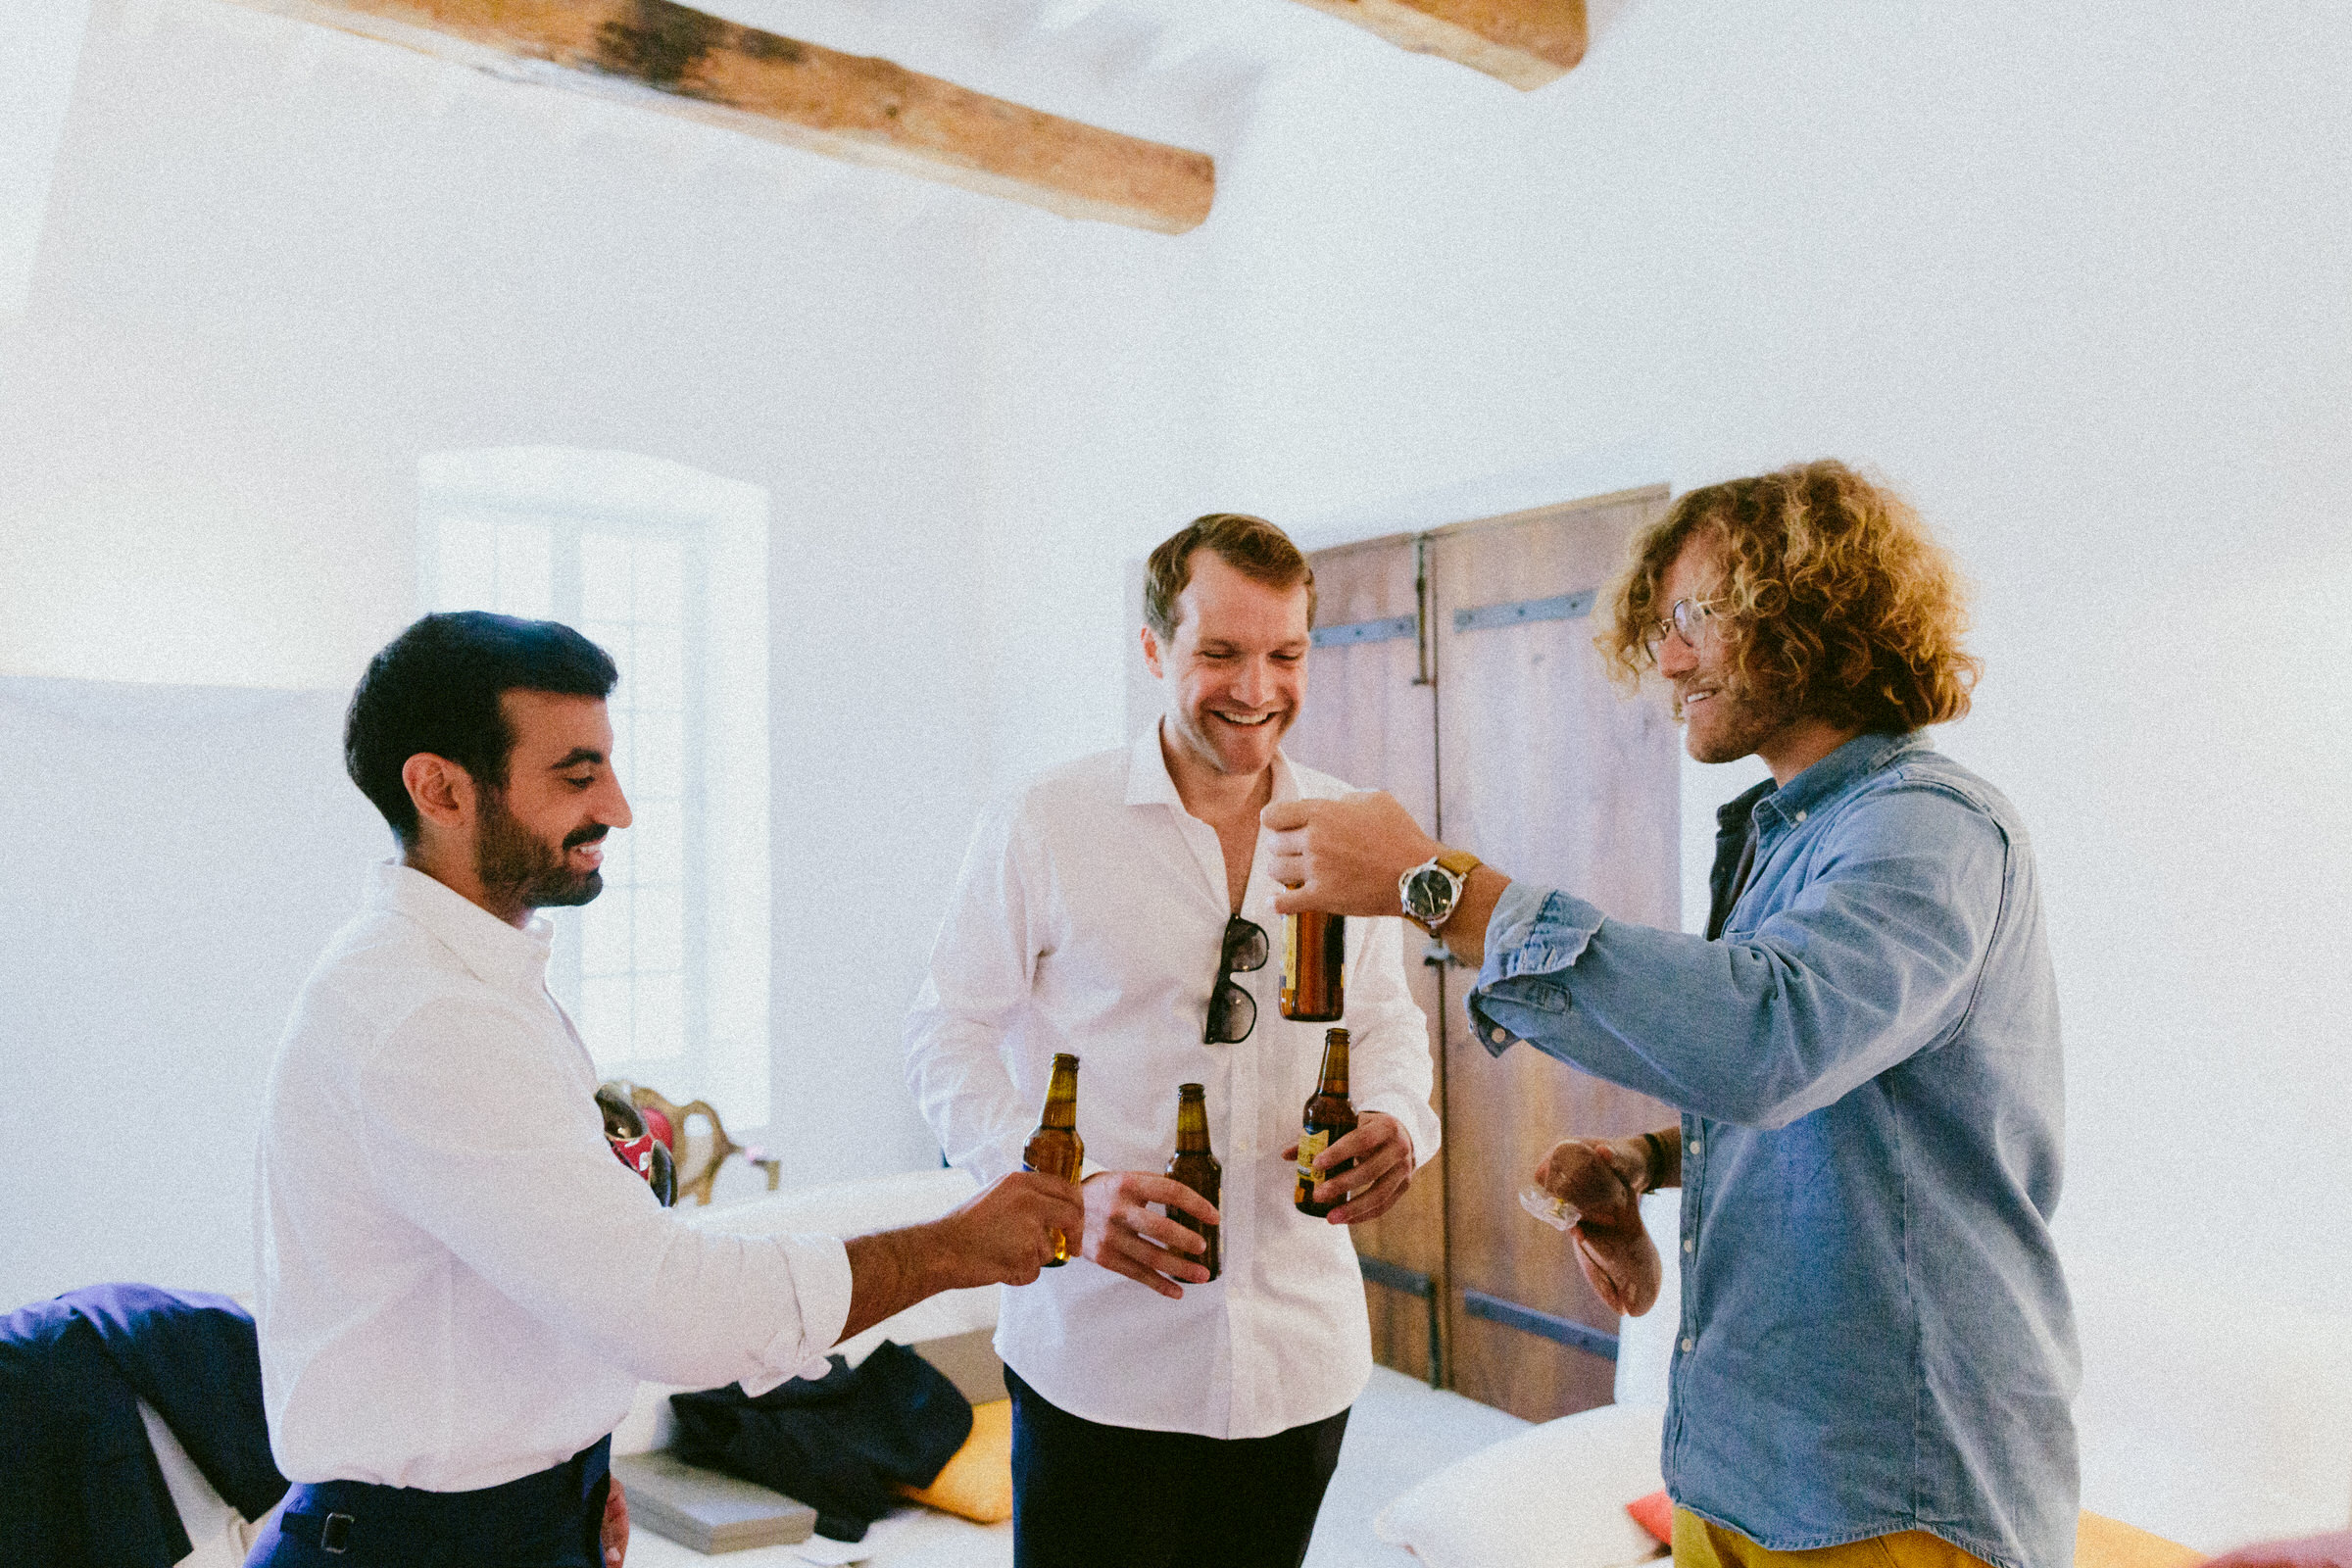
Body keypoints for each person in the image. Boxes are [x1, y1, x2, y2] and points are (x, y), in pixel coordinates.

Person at [1265, 463, 2079, 1568]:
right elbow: (1846, 1112)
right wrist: (1644, 1161)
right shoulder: (1789, 833)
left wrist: (1437, 885)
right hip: (1737, 1466)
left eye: (1695, 617)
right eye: (1661, 628)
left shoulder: (1929, 828)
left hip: (1887, 1495)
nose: (1671, 661)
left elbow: (1769, 1042)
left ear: (1811, 611)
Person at [248, 612, 1081, 1568]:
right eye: (577, 776)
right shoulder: (424, 1013)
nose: (618, 807)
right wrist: (953, 1246)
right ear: (440, 788)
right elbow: (667, 1307)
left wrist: (566, 1468)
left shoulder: (473, 978)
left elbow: (531, 1274)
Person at [905, 514, 1442, 1568]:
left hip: (1300, 1357)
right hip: (1099, 1359)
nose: (1257, 689)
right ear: (1154, 648)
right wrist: (1064, 1194)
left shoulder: (1354, 826)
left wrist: (1401, 1122)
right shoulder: (1045, 820)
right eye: (1221, 653)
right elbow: (945, 1032)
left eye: (1286, 655)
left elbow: (1385, 1022)